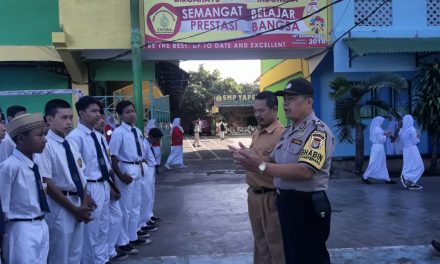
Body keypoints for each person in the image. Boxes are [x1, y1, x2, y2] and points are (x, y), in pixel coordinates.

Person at [233, 78, 334, 264]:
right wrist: (250, 157)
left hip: (307, 204)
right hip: (286, 202)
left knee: (310, 257)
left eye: (292, 98)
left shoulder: (318, 133)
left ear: (309, 102)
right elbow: (271, 161)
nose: (286, 103)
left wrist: (261, 167)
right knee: (291, 256)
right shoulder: (288, 132)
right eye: (285, 99)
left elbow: (305, 171)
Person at [34, 99, 92, 264]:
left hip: (77, 202)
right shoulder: (46, 145)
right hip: (60, 205)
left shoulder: (70, 143)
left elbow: (81, 175)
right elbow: (48, 183)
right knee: (60, 254)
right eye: (63, 118)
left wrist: (84, 200)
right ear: (49, 120)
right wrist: (74, 209)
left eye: (70, 117)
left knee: (75, 252)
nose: (68, 122)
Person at [230, 91, 285, 264]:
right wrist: (244, 154)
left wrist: (259, 164)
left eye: (261, 111)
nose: (257, 115)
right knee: (260, 244)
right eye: (255, 111)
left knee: (276, 245)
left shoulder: (282, 134)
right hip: (253, 195)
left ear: (274, 109)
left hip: (270, 197)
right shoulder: (258, 132)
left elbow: (280, 168)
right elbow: (257, 158)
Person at [67, 96, 112, 263]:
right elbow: (76, 170)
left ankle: (101, 259)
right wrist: (84, 194)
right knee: (90, 232)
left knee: (103, 227)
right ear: (81, 113)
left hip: (103, 185)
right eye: (93, 111)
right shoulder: (75, 137)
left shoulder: (98, 136)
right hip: (90, 187)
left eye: (99, 111)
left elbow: (104, 162)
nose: (98, 115)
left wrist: (110, 186)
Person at [0, 113, 49, 263]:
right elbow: (2, 205)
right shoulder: (9, 167)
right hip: (20, 229)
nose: (45, 139)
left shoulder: (35, 163)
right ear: (21, 139)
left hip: (41, 225)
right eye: (39, 135)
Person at [109, 101, 149, 256]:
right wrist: (119, 174)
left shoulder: (137, 130)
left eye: (133, 111)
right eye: (127, 112)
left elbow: (139, 151)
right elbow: (112, 155)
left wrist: (140, 167)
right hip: (125, 168)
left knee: (135, 205)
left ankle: (133, 235)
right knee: (125, 208)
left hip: (136, 167)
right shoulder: (118, 133)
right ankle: (123, 241)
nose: (132, 114)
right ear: (120, 115)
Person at [94, 111, 129, 261]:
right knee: (99, 225)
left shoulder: (101, 137)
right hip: (94, 184)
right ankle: (101, 256)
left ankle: (109, 250)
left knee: (115, 218)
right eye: (98, 117)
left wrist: (113, 185)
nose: (101, 120)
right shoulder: (78, 138)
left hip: (107, 182)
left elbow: (107, 164)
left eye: (102, 117)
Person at [139, 127, 163, 233]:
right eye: (156, 139)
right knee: (146, 196)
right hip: (147, 170)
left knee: (151, 195)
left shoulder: (149, 144)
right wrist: (147, 167)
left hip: (151, 169)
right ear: (151, 136)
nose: (157, 141)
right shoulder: (144, 144)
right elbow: (141, 157)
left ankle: (149, 215)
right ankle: (145, 220)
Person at [362, 116, 396, 184]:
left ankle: (387, 179)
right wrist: (387, 134)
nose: (382, 123)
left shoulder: (377, 129)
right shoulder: (377, 129)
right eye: (381, 122)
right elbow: (382, 139)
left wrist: (386, 134)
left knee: (382, 162)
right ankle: (364, 176)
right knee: (374, 162)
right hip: (377, 147)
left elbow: (382, 136)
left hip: (378, 147)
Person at [399, 114, 424, 190]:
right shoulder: (412, 129)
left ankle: (412, 183)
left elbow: (402, 140)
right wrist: (418, 136)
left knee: (409, 165)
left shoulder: (401, 130)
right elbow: (415, 141)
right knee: (420, 166)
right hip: (412, 149)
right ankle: (404, 176)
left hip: (405, 149)